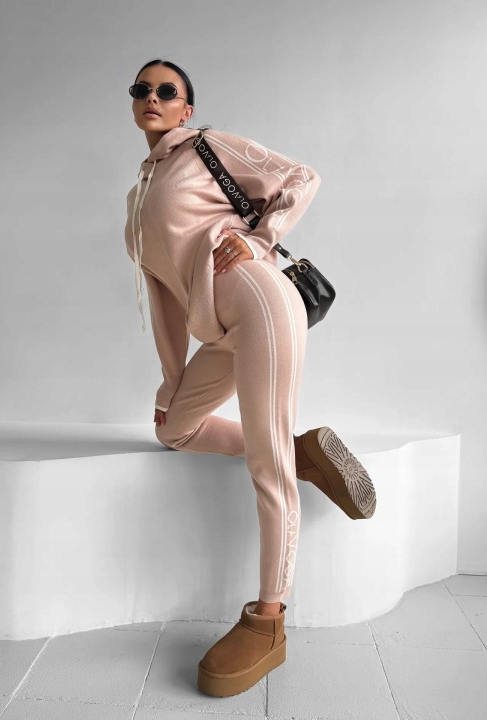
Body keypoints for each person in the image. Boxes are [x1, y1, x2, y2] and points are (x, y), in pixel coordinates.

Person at [124, 58, 376, 698]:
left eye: (166, 91)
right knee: (175, 430)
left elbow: (301, 176)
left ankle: (268, 620)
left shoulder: (206, 146)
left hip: (262, 302)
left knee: (265, 466)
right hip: (221, 328)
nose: (152, 97)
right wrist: (170, 382)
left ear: (185, 108)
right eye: (141, 89)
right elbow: (163, 300)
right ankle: (301, 453)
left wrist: (263, 237)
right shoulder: (138, 198)